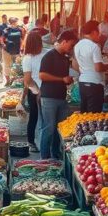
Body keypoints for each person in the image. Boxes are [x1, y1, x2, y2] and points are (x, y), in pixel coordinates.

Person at [39, 30, 78, 159]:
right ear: (64, 41)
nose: (71, 48)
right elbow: (42, 75)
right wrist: (62, 79)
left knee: (59, 129)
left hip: (61, 97)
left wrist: (67, 80)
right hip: (49, 97)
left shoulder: (65, 58)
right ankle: (44, 158)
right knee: (49, 129)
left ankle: (56, 154)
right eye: (71, 45)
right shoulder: (49, 56)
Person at [21, 32, 48, 152]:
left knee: (34, 117)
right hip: (47, 90)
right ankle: (46, 144)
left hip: (35, 91)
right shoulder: (47, 54)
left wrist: (36, 91)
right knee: (46, 120)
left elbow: (27, 80)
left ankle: (31, 143)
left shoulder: (27, 58)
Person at [73, 20, 107, 113]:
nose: (99, 36)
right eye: (98, 33)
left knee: (84, 114)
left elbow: (74, 64)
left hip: (82, 82)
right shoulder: (94, 47)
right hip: (94, 84)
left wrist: (85, 71)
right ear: (94, 32)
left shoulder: (77, 45)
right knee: (94, 116)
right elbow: (98, 68)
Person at [2, 17, 25, 86]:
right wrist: (21, 50)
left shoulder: (6, 30)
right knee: (17, 66)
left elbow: (3, 40)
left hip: (7, 50)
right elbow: (22, 40)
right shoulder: (20, 30)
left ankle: (8, 81)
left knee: (7, 66)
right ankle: (14, 81)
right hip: (16, 50)